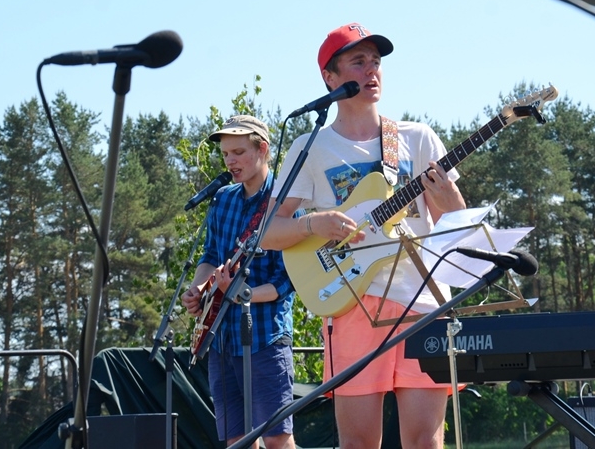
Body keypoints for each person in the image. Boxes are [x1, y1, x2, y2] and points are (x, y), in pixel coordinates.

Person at [262, 23, 466, 449]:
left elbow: (457, 228)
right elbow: (268, 233)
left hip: (422, 300)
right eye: (358, 62)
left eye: (376, 62)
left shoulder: (417, 138)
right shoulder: (309, 147)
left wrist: (450, 199)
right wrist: (313, 224)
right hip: (349, 300)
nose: (372, 70)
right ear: (330, 78)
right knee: (357, 443)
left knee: (425, 442)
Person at [182, 115, 296, 449]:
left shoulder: (286, 203)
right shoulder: (222, 200)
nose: (230, 161)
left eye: (238, 152)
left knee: (277, 439)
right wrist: (198, 289)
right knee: (236, 441)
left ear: (262, 149)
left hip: (265, 337)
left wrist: (240, 293)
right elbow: (210, 255)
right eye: (225, 154)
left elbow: (286, 282)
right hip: (221, 338)